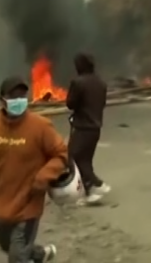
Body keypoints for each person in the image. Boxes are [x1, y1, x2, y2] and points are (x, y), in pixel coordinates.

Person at [0, 76, 65, 262]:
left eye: (22, 95)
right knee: (9, 246)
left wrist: (44, 176)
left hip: (28, 204)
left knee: (17, 256)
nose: (19, 100)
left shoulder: (41, 126)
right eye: (14, 96)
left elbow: (61, 154)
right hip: (2, 203)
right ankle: (41, 254)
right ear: (2, 100)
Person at [66, 52, 109, 205]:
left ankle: (94, 187)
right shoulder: (101, 83)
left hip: (82, 126)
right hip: (96, 126)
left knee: (73, 157)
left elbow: (70, 103)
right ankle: (94, 187)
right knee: (86, 159)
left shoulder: (78, 83)